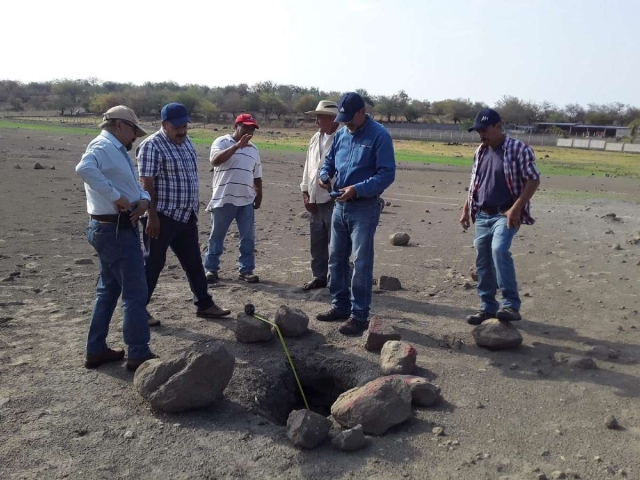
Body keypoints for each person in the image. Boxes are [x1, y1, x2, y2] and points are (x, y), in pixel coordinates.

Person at [75, 105, 156, 371]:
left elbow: (133, 185)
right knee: (135, 292)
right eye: (133, 129)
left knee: (108, 291)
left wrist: (142, 201)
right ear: (120, 125)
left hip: (113, 227)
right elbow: (84, 168)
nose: (135, 136)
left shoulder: (116, 150)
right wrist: (115, 196)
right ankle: (138, 352)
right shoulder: (102, 147)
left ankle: (95, 349)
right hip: (115, 229)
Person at [137, 102, 231, 319]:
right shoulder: (152, 145)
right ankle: (138, 309)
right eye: (177, 126)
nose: (182, 130)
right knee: (153, 264)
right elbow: (147, 184)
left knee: (193, 262)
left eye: (185, 126)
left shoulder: (186, 142)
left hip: (186, 215)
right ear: (164, 124)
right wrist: (151, 215)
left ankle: (204, 304)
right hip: (161, 215)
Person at [316, 92, 396, 336]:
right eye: (344, 118)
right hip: (339, 205)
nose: (347, 123)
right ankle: (340, 306)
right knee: (336, 258)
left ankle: (359, 315)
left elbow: (386, 174)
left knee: (361, 262)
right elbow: (329, 162)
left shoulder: (379, 135)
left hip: (364, 207)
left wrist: (357, 189)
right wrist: (323, 176)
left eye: (350, 118)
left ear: (362, 112)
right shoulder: (341, 134)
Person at [460, 108, 541, 325]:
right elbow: (475, 182)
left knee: (499, 250)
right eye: (478, 131)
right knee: (483, 260)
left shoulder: (518, 149)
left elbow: (533, 179)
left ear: (498, 126)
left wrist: (516, 208)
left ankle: (511, 305)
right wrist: (466, 207)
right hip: (483, 214)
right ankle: (487, 308)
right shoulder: (481, 150)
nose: (481, 135)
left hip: (506, 214)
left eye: (484, 130)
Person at [203, 114, 263, 284]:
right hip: (224, 199)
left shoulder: (254, 150)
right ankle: (211, 269)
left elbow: (257, 175)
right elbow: (215, 161)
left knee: (248, 238)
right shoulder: (221, 142)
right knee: (217, 236)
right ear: (236, 126)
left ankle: (246, 270)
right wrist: (237, 146)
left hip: (246, 200)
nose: (249, 131)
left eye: (252, 129)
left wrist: (259, 194)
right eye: (246, 127)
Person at [300, 100, 340, 290]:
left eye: (320, 117)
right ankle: (319, 276)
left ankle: (336, 279)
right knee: (317, 241)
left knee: (336, 243)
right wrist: (305, 191)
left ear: (332, 118)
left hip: (334, 198)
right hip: (315, 198)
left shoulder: (343, 137)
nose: (316, 121)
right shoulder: (315, 138)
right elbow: (309, 165)